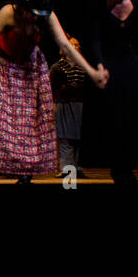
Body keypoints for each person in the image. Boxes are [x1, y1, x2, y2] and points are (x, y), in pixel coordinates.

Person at [0, 0, 108, 183]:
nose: (35, 17)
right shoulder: (9, 12)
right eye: (33, 12)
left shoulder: (47, 16)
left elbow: (66, 46)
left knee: (26, 123)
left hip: (27, 70)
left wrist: (91, 71)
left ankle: (24, 172)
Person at [80, 0, 138, 183]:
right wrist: (99, 64)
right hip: (107, 61)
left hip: (129, 61)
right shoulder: (98, 3)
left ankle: (127, 168)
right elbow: (94, 38)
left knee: (131, 112)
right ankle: (114, 166)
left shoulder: (137, 3)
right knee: (112, 114)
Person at [49, 37, 88, 176]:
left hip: (79, 104)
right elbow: (51, 87)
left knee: (78, 138)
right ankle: (66, 168)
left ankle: (77, 168)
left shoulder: (83, 66)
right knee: (65, 137)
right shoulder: (57, 67)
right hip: (63, 104)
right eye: (71, 45)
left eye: (76, 45)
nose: (74, 47)